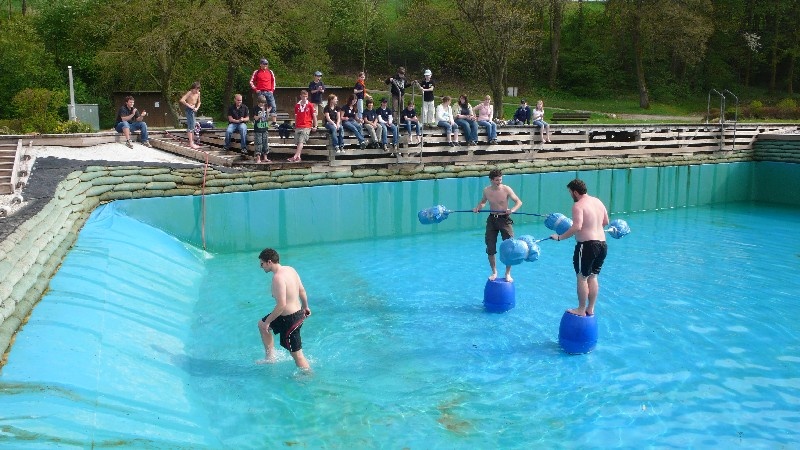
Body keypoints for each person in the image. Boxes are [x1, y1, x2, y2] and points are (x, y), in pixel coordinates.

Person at [550, 179, 609, 317]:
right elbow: (606, 221)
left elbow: (577, 227)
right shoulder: (598, 201)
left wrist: (559, 237)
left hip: (587, 246)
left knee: (582, 278)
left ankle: (581, 309)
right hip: (602, 244)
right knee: (593, 276)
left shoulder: (578, 205)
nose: (571, 195)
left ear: (575, 192)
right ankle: (590, 308)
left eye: (570, 192)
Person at [256, 248, 311, 370]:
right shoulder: (290, 269)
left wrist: (268, 321)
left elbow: (281, 305)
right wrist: (305, 307)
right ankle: (270, 358)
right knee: (261, 325)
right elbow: (302, 290)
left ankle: (307, 375)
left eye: (262, 263)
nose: (261, 267)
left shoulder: (278, 278)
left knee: (297, 355)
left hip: (291, 321)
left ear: (269, 262)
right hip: (292, 314)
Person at [473, 169, 523, 282]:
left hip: (504, 220)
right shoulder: (486, 190)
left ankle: (508, 273)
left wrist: (512, 210)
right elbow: (483, 202)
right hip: (492, 220)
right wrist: (478, 208)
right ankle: (494, 272)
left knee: (510, 247)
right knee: (490, 247)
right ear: (491, 180)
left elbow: (519, 202)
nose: (499, 182)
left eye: (500, 179)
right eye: (496, 180)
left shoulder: (506, 189)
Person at [288, 90, 316, 162]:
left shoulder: (310, 105)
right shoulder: (297, 105)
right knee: (298, 141)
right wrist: (295, 124)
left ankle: (295, 156)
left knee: (301, 140)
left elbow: (314, 116)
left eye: (306, 96)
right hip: (298, 125)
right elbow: (296, 116)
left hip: (306, 125)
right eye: (303, 96)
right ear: (300, 96)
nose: (305, 98)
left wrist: (315, 126)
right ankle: (298, 157)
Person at [249, 58, 277, 127]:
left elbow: (273, 81)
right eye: (264, 64)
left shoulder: (270, 72)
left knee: (273, 106)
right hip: (261, 92)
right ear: (260, 64)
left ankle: (274, 122)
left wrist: (272, 90)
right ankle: (259, 120)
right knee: (261, 106)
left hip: (269, 92)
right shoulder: (257, 72)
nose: (265, 65)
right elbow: (251, 81)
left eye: (266, 64)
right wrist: (256, 89)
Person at [179, 82, 202, 149]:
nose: (197, 91)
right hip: (189, 110)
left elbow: (199, 102)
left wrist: (197, 108)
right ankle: (191, 143)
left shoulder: (198, 93)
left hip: (194, 110)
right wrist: (189, 106)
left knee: (193, 126)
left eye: (198, 89)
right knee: (191, 126)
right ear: (192, 88)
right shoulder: (189, 93)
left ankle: (192, 142)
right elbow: (182, 100)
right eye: (196, 89)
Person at [252, 94, 271, 163]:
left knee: (265, 143)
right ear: (258, 102)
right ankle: (258, 158)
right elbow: (255, 118)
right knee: (258, 143)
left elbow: (267, 118)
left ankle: (265, 157)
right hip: (258, 129)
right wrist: (261, 113)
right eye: (261, 103)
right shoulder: (255, 108)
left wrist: (267, 112)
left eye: (264, 103)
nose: (263, 104)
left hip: (264, 128)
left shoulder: (265, 108)